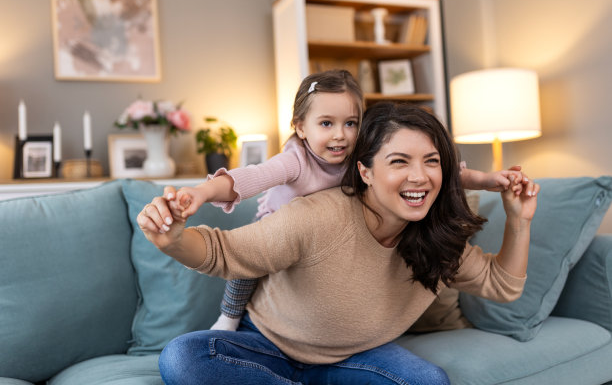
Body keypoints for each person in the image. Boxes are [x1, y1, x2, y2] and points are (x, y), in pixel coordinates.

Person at [137, 102, 539, 384]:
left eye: (431, 161)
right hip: (267, 347)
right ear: (364, 171)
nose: (420, 176)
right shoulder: (317, 215)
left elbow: (503, 285)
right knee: (183, 358)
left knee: (428, 382)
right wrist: (172, 240)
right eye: (399, 161)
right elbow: (225, 253)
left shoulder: (437, 236)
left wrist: (519, 221)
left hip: (358, 358)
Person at [164, 70, 529, 333]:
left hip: (356, 339)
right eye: (326, 124)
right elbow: (249, 179)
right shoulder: (296, 163)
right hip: (281, 226)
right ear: (300, 127)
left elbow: (453, 173)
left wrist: (493, 185)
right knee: (245, 274)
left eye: (350, 123)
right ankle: (228, 317)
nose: (340, 135)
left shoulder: (369, 164)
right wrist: (200, 193)